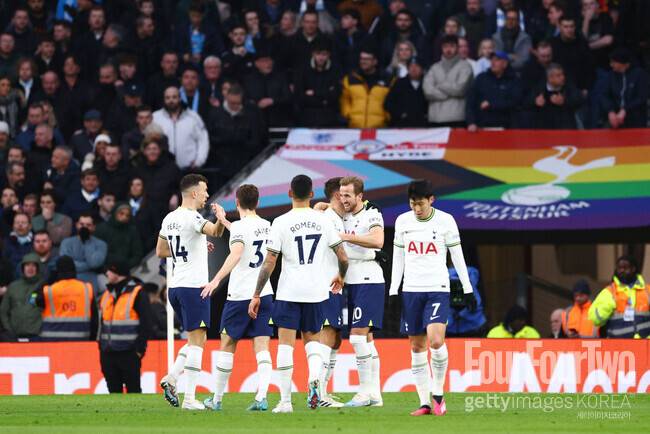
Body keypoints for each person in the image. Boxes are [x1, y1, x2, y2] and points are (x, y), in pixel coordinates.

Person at [248, 174, 348, 413]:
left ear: (290, 193)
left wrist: (257, 293)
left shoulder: (280, 222)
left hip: (289, 291)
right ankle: (314, 380)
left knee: (285, 345)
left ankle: (285, 402)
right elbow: (343, 257)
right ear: (312, 194)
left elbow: (270, 261)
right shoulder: (324, 220)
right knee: (313, 342)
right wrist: (341, 276)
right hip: (317, 292)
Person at [389, 179, 477, 416]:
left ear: (431, 200)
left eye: (420, 204)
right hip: (411, 290)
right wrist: (394, 290)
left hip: (438, 288)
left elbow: (457, 255)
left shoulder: (446, 221)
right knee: (416, 346)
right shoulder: (402, 221)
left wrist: (467, 289)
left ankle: (438, 393)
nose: (416, 209)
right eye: (412, 204)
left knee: (436, 341)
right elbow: (398, 258)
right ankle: (424, 402)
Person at [200, 185, 274, 411]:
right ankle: (262, 397)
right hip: (264, 293)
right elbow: (246, 237)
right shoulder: (267, 225)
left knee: (227, 343)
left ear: (237, 203)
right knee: (262, 345)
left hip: (240, 294)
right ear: (257, 203)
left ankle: (217, 399)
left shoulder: (241, 228)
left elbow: (237, 252)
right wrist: (224, 221)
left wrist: (216, 279)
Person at [156, 174, 225, 410]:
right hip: (194, 287)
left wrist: (195, 246)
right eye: (205, 190)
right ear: (194, 193)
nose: (207, 195)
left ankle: (171, 378)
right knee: (197, 342)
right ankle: (190, 399)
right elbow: (215, 232)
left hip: (176, 287)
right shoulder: (193, 217)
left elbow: (161, 250)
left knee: (198, 338)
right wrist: (221, 219)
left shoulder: (170, 218)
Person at [336, 176, 385, 407]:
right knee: (367, 339)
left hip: (369, 279)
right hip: (351, 280)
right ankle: (375, 395)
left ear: (360, 196)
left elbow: (378, 240)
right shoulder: (341, 214)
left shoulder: (372, 213)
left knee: (356, 337)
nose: (343, 199)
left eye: (348, 195)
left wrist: (346, 236)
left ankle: (364, 392)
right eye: (341, 194)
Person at [98, 260, 152, 393]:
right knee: (113, 392)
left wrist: (139, 349)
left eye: (109, 271)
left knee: (134, 391)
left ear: (117, 273)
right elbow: (101, 323)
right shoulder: (107, 294)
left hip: (129, 352)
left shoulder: (137, 293)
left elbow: (146, 323)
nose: (107, 273)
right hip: (108, 352)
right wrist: (101, 346)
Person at [589, 255, 650, 338]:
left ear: (633, 269)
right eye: (619, 268)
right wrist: (608, 305)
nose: (622, 270)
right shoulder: (609, 292)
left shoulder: (647, 291)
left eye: (625, 268)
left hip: (646, 344)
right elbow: (596, 319)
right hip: (618, 344)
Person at [38, 255, 97, 341]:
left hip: (53, 341)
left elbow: (32, 300)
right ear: (74, 269)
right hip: (80, 341)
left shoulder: (49, 290)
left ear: (57, 271)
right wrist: (92, 340)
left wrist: (47, 280)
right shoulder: (86, 289)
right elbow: (94, 319)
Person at [152, 86, 209, 170]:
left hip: (189, 169)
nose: (171, 100)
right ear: (164, 100)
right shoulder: (155, 117)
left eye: (174, 97)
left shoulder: (193, 117)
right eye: (168, 98)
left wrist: (199, 161)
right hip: (163, 169)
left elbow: (203, 140)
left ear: (180, 98)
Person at [423, 34, 473, 127]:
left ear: (457, 48)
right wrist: (449, 93)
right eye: (445, 46)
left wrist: (439, 86)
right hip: (435, 118)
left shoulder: (465, 67)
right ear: (441, 48)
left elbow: (460, 89)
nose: (448, 49)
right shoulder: (434, 67)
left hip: (457, 118)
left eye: (452, 46)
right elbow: (427, 91)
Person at [466, 51, 521, 130]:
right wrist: (471, 122)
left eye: (497, 60)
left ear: (505, 64)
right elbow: (470, 102)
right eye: (491, 59)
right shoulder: (481, 78)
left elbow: (515, 102)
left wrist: (492, 104)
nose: (493, 62)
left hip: (505, 127)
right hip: (481, 127)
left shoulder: (513, 80)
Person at [340, 47, 394, 128]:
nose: (363, 62)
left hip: (380, 127)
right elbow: (344, 99)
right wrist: (348, 114)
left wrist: (387, 116)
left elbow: (393, 100)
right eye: (361, 59)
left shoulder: (388, 79)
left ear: (375, 61)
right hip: (355, 126)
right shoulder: (350, 79)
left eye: (367, 59)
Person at [293, 39, 341, 127]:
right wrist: (324, 97)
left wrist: (314, 93)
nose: (321, 57)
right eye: (318, 54)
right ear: (313, 54)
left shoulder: (335, 70)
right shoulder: (303, 70)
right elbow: (300, 96)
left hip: (329, 118)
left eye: (324, 54)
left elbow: (335, 95)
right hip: (307, 118)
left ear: (328, 55)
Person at [59, 212, 108, 294]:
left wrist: (87, 242)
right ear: (77, 225)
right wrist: (88, 266)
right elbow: (66, 265)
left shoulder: (101, 244)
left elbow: (94, 264)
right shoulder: (66, 242)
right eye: (82, 224)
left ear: (94, 227)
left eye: (88, 225)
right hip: (70, 280)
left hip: (91, 279)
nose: (84, 228)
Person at [602, 48, 649, 129]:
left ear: (624, 63)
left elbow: (642, 97)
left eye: (614, 62)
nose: (611, 65)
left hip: (635, 118)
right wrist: (610, 111)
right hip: (615, 118)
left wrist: (625, 110)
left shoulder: (639, 74)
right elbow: (605, 94)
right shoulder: (610, 76)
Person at [0, 253, 43, 341]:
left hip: (37, 337)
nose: (30, 268)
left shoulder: (44, 286)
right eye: (27, 265)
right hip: (14, 337)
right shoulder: (13, 287)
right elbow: (3, 311)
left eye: (33, 265)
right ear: (23, 268)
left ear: (38, 268)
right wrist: (9, 331)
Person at [527, 63, 583, 129]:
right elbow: (526, 103)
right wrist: (535, 102)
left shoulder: (569, 87)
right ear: (550, 78)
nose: (563, 77)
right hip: (544, 129)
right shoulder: (539, 89)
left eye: (562, 74)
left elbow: (579, 100)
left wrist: (564, 101)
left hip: (565, 129)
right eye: (558, 75)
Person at [95, 203, 144, 270]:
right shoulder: (101, 229)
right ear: (115, 213)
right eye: (121, 213)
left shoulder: (132, 231)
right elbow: (97, 252)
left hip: (127, 269)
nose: (124, 217)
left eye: (127, 215)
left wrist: (126, 266)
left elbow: (137, 254)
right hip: (106, 269)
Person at [385, 59, 427, 127]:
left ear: (422, 69)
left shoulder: (427, 83)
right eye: (411, 66)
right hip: (401, 125)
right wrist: (401, 114)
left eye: (417, 66)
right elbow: (388, 103)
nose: (413, 69)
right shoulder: (399, 83)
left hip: (423, 126)